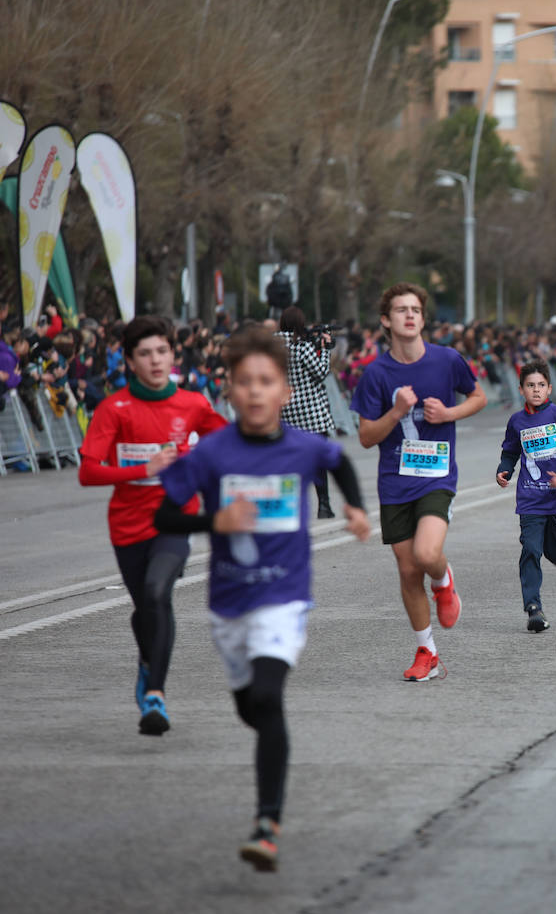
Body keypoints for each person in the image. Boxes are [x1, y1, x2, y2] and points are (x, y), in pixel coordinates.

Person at [154, 326, 371, 871]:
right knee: (250, 707)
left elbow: (338, 459)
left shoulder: (302, 446)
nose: (255, 392)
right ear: (228, 389)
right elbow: (164, 514)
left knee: (269, 698)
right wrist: (214, 519)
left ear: (285, 392)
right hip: (229, 601)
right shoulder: (213, 454)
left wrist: (356, 508)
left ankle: (266, 823)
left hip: (284, 593)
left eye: (266, 382)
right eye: (244, 382)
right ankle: (269, 748)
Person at [77, 316, 227, 736]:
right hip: (127, 524)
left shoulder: (193, 404)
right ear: (129, 360)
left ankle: (155, 694)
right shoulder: (114, 408)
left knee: (159, 591)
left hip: (174, 519)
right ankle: (147, 661)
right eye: (145, 354)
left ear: (173, 355)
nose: (155, 360)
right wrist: (144, 467)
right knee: (146, 607)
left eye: (162, 351)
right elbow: (88, 472)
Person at [351, 282, 486, 682]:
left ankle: (444, 582)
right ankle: (426, 650)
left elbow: (478, 396)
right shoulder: (375, 374)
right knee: (408, 571)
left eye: (415, 310)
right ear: (385, 320)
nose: (409, 315)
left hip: (436, 477)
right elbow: (365, 436)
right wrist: (396, 412)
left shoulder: (446, 360)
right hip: (394, 482)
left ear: (423, 318)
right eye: (400, 310)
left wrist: (448, 414)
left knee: (427, 556)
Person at [495, 361, 556, 632]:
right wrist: (504, 470)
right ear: (521, 390)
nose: (536, 390)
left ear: (549, 388)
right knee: (530, 549)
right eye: (530, 386)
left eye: (540, 385)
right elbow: (510, 451)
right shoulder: (516, 421)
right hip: (530, 498)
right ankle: (533, 608)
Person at [275, 306, 339, 518]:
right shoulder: (301, 345)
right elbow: (320, 372)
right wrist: (325, 349)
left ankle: (289, 505)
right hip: (310, 411)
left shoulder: (272, 345)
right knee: (318, 459)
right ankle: (324, 505)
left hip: (284, 409)